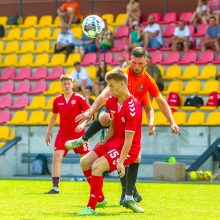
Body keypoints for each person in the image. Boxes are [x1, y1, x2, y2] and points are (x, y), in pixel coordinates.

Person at [65, 47, 180, 208]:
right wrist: (91, 111)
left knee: (133, 157)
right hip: (114, 112)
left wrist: (171, 122)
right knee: (105, 119)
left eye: (140, 63)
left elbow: (157, 103)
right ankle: (83, 138)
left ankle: (129, 194)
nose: (136, 67)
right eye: (134, 62)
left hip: (129, 120)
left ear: (146, 62)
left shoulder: (147, 81)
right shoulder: (123, 75)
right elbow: (105, 93)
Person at [77, 69, 144, 216]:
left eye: (112, 86)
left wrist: (121, 162)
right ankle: (100, 198)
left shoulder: (133, 108)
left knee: (97, 166)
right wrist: (104, 141)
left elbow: (129, 140)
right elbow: (113, 125)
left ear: (122, 84)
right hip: (114, 142)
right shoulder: (113, 101)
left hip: (128, 148)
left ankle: (91, 207)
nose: (110, 89)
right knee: (84, 162)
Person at [44, 74, 90, 194]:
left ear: (72, 84)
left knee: (85, 160)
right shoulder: (57, 100)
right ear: (61, 86)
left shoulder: (79, 98)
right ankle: (55, 187)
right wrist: (48, 132)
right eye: (64, 84)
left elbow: (89, 115)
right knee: (57, 157)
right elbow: (53, 117)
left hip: (78, 133)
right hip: (63, 134)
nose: (67, 85)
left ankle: (94, 186)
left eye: (69, 83)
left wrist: (83, 125)